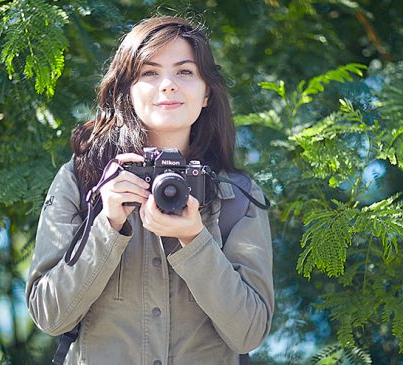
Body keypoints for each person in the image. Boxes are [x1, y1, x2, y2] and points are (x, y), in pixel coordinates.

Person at [25, 15, 274, 365]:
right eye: (149, 72)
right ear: (127, 90)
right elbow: (50, 316)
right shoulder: (82, 180)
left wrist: (195, 242)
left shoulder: (236, 197)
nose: (168, 85)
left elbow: (249, 333)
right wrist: (107, 226)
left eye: (185, 72)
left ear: (206, 94)